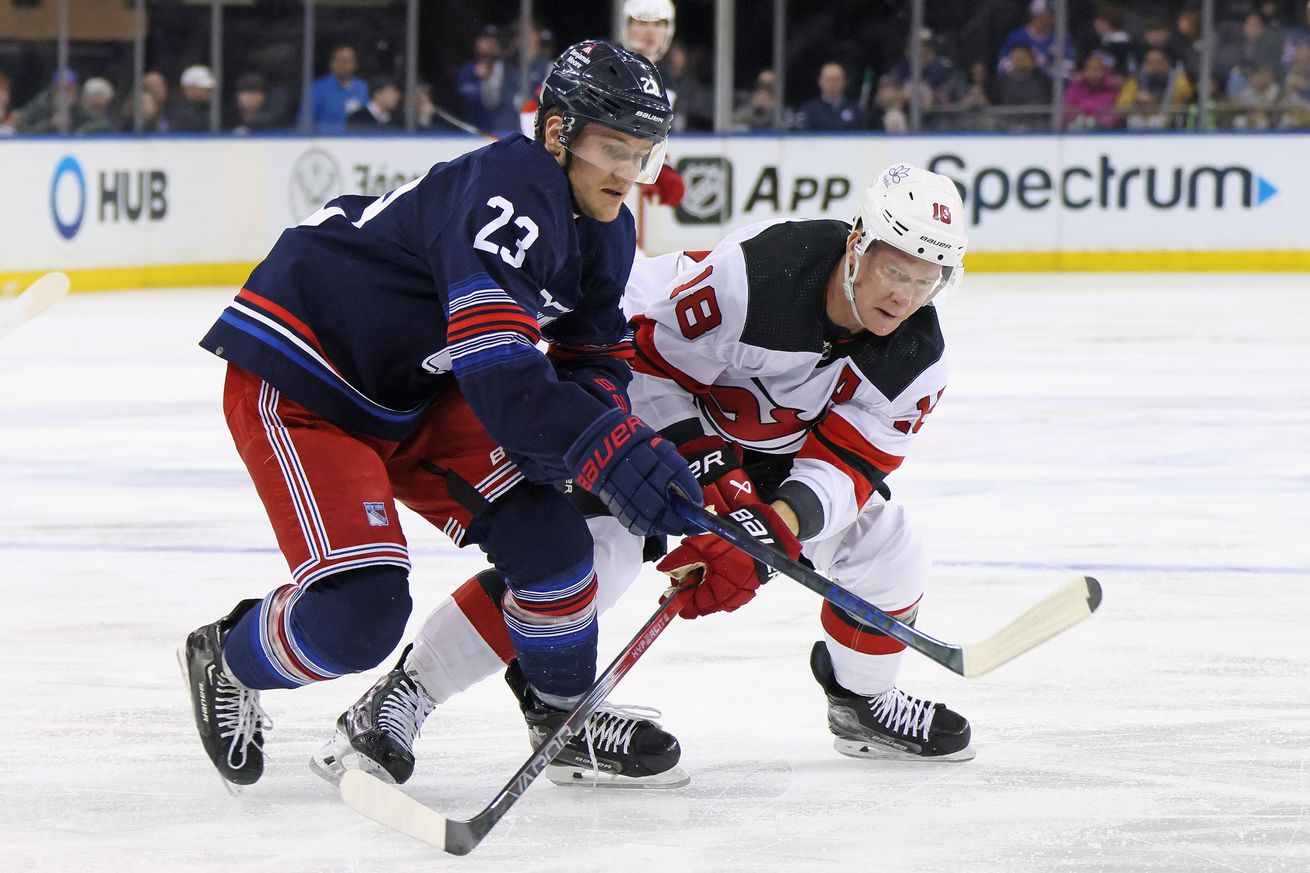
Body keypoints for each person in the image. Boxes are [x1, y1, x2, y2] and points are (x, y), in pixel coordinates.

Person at [311, 162, 976, 793]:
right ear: (859, 244)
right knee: (587, 562)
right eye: (895, 269)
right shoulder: (762, 278)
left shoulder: (917, 358)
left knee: (888, 550)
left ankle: (863, 701)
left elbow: (849, 464)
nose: (905, 295)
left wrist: (777, 526)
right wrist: (715, 481)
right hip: (641, 394)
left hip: (765, 446)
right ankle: (404, 692)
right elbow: (649, 367)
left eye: (927, 280)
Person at [180, 40, 703, 791]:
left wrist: (613, 432)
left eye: (643, 154)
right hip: (307, 377)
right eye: (613, 148)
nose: (628, 172)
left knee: (558, 551)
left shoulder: (609, 228)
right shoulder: (512, 188)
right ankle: (228, 654)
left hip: (422, 386)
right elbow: (505, 381)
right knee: (360, 614)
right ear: (557, 135)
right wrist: (608, 447)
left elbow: (592, 358)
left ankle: (562, 716)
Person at [305, 44, 369, 133]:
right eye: (342, 60)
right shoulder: (318, 88)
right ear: (332, 63)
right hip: (326, 142)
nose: (345, 65)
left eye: (350, 60)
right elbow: (304, 123)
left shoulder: (362, 87)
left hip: (356, 142)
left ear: (355, 64)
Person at [798, 62, 869, 131]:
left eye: (835, 80)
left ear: (844, 82)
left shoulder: (855, 110)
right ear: (820, 81)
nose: (832, 84)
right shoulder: (809, 109)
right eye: (828, 79)